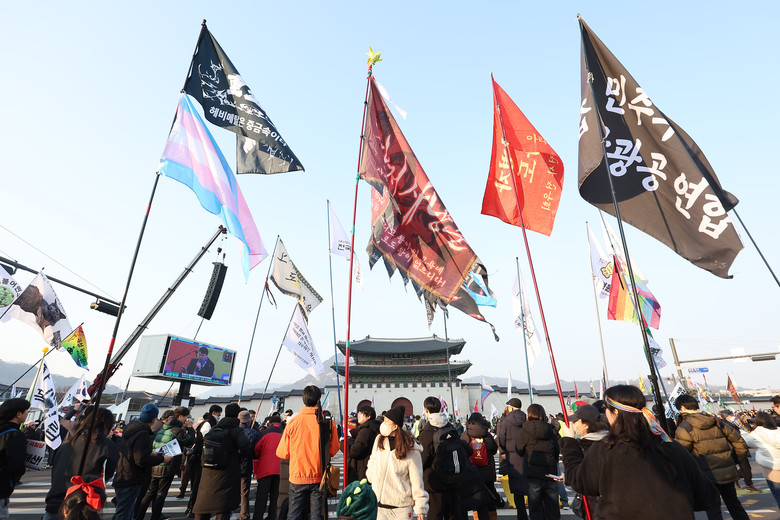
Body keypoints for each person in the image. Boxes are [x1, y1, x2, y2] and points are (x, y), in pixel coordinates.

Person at [559, 385, 718, 519]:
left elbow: (579, 481)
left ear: (615, 413)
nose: (605, 413)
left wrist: (569, 442)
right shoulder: (671, 446)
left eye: (607, 409)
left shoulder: (606, 449)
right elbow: (707, 496)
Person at [674, 394, 750, 520]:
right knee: (735, 506)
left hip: (705, 475)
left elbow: (682, 455)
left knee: (713, 510)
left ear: (682, 407)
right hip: (727, 472)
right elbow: (739, 441)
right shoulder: (716, 421)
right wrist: (736, 460)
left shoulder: (684, 427)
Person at [276, 385, 339, 520]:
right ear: (318, 399)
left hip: (297, 475)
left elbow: (282, 453)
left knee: (294, 515)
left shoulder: (293, 422)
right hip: (319, 476)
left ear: (303, 400)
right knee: (317, 515)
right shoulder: (327, 422)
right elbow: (333, 450)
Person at [45, 407, 119, 520]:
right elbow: (105, 477)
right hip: (82, 506)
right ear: (107, 426)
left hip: (56, 501)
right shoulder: (108, 447)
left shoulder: (68, 443)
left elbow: (56, 472)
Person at [366, 405, 428, 520]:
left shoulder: (410, 447)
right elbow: (373, 460)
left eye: (386, 421)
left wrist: (420, 507)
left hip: (401, 507)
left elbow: (416, 479)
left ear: (395, 426)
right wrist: (372, 475)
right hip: (379, 505)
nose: (383, 424)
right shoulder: (380, 439)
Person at [193, 403, 252, 519]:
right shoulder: (236, 430)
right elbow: (246, 447)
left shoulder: (215, 428)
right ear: (237, 415)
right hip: (227, 471)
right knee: (223, 505)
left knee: (204, 503)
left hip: (208, 470)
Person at [112, 403, 171, 520]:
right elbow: (141, 460)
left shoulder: (132, 428)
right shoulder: (143, 433)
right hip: (131, 478)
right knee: (123, 515)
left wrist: (151, 454)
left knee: (125, 512)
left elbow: (133, 453)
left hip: (123, 474)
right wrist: (162, 459)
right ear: (153, 419)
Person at [136, 407, 193, 520]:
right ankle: (155, 517)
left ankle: (139, 516)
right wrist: (190, 428)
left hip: (156, 464)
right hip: (167, 465)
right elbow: (190, 441)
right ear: (180, 417)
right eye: (186, 417)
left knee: (150, 493)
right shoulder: (177, 430)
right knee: (161, 494)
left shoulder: (163, 429)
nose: (186, 419)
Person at [418, 396, 460, 520]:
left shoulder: (427, 431)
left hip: (434, 480)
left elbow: (424, 456)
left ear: (426, 410)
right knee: (452, 514)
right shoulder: (450, 427)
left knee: (435, 514)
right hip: (452, 476)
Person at [515, 404, 559, 520]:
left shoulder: (525, 429)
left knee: (535, 507)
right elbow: (557, 449)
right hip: (550, 472)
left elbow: (519, 449)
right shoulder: (551, 429)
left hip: (532, 473)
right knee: (552, 506)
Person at [566, 404, 608, 519]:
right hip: (594, 504)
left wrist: (569, 441)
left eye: (575, 422)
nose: (573, 425)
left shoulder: (596, 445)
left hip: (598, 506)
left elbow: (586, 478)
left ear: (585, 424)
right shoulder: (595, 441)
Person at [462, 412, 499, 520]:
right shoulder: (487, 434)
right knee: (490, 496)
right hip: (488, 471)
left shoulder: (465, 435)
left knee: (476, 498)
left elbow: (462, 452)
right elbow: (494, 450)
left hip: (472, 472)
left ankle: (477, 517)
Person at [498, 398, 529, 520]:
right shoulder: (527, 418)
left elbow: (501, 439)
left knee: (517, 491)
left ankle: (522, 516)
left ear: (511, 407)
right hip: (526, 456)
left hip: (512, 457)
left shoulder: (506, 421)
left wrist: (504, 451)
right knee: (530, 488)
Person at [742, 412, 780, 509]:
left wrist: (743, 432)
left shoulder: (757, 434)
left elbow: (745, 442)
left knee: (778, 496)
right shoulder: (778, 430)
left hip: (772, 472)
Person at [0, 398, 30, 519]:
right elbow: (16, 466)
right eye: (27, 411)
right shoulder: (14, 434)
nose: (27, 414)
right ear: (18, 414)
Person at [186, 412, 218, 517]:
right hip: (201, 458)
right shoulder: (207, 425)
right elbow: (206, 442)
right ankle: (192, 508)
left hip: (196, 457)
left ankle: (191, 507)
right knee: (198, 485)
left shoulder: (201, 425)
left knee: (196, 484)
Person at [253, 415, 283, 520]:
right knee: (275, 496)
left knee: (262, 496)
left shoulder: (264, 433)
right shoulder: (284, 433)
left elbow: (256, 450)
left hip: (265, 469)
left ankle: (258, 517)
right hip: (280, 469)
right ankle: (272, 517)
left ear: (269, 423)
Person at [348, 405, 381, 483]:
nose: (358, 416)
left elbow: (355, 451)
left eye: (361, 414)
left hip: (361, 471)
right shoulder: (374, 428)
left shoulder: (365, 431)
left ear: (368, 416)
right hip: (368, 468)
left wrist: (345, 442)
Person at [239, 410, 261, 520]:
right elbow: (256, 451)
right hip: (247, 464)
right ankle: (244, 514)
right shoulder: (254, 433)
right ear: (248, 421)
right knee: (244, 492)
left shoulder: (233, 431)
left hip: (233, 465)